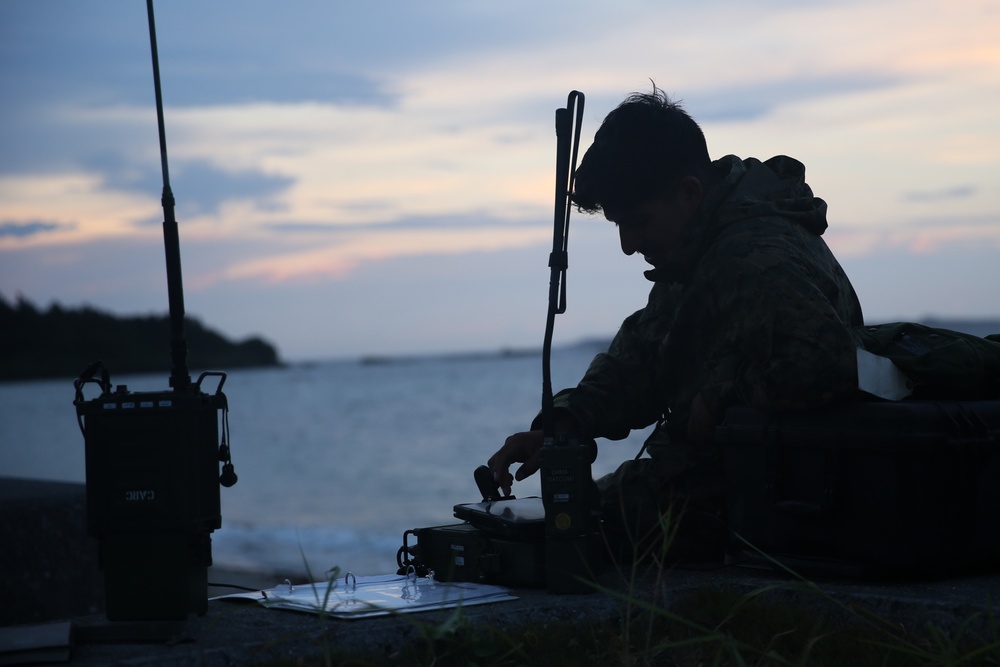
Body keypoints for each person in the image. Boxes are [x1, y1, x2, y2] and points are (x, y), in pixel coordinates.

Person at [487, 88, 864, 563]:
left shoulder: (750, 256)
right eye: (620, 225)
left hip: (775, 496)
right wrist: (567, 422)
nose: (628, 245)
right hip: (737, 479)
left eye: (638, 222)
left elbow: (830, 363)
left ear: (690, 192)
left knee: (576, 533)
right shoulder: (699, 246)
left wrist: (722, 395)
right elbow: (647, 355)